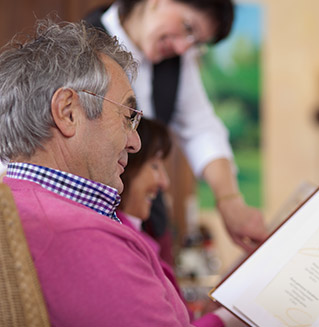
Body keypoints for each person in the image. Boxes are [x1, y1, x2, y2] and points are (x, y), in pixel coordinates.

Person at [0, 18, 194, 326]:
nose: (135, 142)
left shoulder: (18, 204)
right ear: (67, 112)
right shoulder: (79, 234)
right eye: (127, 116)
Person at [84, 0, 268, 252]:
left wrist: (230, 203)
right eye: (188, 27)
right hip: (95, 222)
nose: (183, 47)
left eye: (195, 43)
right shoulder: (82, 45)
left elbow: (200, 128)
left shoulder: (177, 60)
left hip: (150, 223)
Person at [118, 117, 244, 326]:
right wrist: (226, 317)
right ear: (125, 165)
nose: (165, 182)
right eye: (155, 165)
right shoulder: (124, 245)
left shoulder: (141, 235)